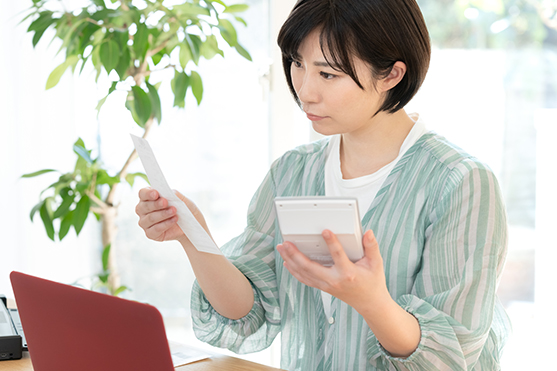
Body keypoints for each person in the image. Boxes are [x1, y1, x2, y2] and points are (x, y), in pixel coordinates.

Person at [135, 0, 511, 369]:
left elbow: (450, 358)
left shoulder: (460, 183)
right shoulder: (293, 173)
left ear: (391, 75)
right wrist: (194, 237)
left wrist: (371, 301)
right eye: (298, 64)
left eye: (328, 74)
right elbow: (246, 312)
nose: (305, 90)